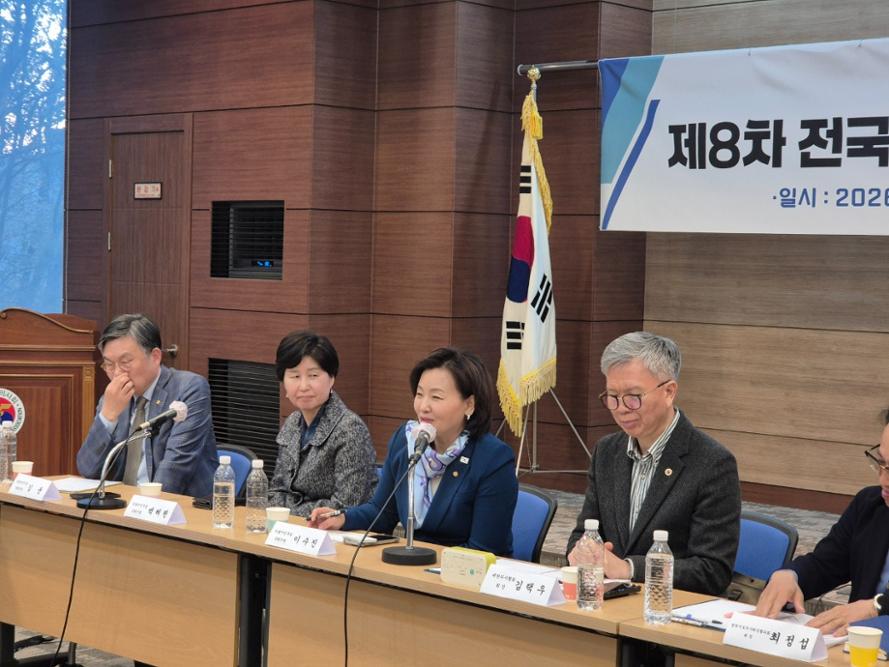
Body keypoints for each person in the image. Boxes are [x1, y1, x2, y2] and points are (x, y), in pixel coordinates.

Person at [566, 331, 741, 595]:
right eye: (612, 396)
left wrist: (630, 569)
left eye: (633, 396)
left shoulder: (712, 463)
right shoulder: (607, 451)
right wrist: (582, 552)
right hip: (607, 603)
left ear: (669, 392)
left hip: (668, 608)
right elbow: (582, 534)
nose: (621, 408)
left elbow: (712, 571)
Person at [309, 347, 518, 556]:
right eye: (419, 394)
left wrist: (424, 561)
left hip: (464, 571)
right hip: (414, 564)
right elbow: (382, 513)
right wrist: (343, 518)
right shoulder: (407, 441)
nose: (423, 406)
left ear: (469, 404)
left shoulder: (492, 459)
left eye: (436, 397)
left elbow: (485, 549)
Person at [754, 410, 889, 635]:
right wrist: (791, 576)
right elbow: (825, 564)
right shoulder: (870, 505)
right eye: (882, 463)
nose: (883, 479)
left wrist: (876, 607)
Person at [76, 313, 218, 498]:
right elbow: (87, 469)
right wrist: (108, 416)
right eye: (109, 364)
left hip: (176, 507)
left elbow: (176, 468)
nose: (117, 373)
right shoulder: (112, 398)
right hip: (122, 503)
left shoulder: (189, 388)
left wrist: (140, 506)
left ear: (155, 356)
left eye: (125, 362)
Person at [268, 331, 377, 518]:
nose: (303, 386)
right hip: (293, 527)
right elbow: (277, 491)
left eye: (313, 375)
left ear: (332, 378)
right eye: (295, 376)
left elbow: (345, 506)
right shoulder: (292, 422)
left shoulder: (350, 429)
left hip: (338, 532)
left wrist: (289, 513)